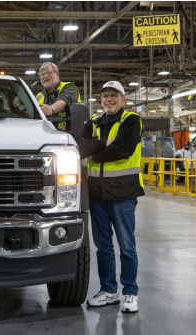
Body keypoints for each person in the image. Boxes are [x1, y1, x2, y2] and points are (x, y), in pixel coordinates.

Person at [75, 81, 144, 313]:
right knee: (102, 246)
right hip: (97, 193)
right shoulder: (93, 123)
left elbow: (123, 150)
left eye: (114, 96)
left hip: (123, 193)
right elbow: (79, 147)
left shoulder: (131, 121)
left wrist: (95, 151)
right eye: (105, 96)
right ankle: (108, 291)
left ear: (123, 99)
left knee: (126, 246)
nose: (109, 100)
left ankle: (130, 293)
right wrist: (104, 143)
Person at [35, 62, 81, 130]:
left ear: (57, 74)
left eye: (49, 73)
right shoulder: (39, 96)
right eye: (42, 74)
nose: (45, 76)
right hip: (44, 134)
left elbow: (64, 100)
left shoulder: (68, 87)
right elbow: (33, 115)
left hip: (65, 135)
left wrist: (52, 108)